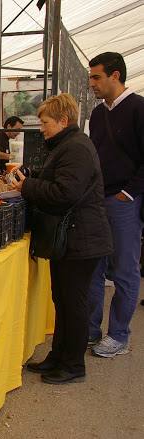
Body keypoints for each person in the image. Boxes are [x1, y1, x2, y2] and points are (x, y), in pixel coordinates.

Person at [12, 93, 112, 384]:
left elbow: (63, 193)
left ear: (63, 120)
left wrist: (28, 186)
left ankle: (73, 365)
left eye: (45, 123)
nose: (41, 128)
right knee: (63, 301)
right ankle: (58, 356)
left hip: (80, 239)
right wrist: (33, 173)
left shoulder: (76, 148)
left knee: (73, 303)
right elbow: (59, 176)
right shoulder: (68, 145)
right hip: (73, 238)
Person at [86, 52, 144, 357]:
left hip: (125, 202)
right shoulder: (98, 114)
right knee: (95, 266)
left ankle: (119, 334)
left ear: (115, 76)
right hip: (98, 200)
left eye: (96, 77)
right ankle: (91, 330)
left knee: (124, 270)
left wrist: (129, 194)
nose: (91, 82)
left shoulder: (138, 108)